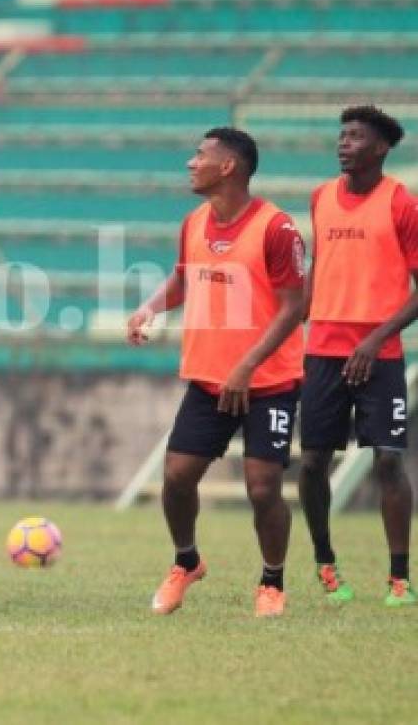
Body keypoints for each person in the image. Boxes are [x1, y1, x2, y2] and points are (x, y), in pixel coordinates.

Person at [128, 128, 306, 618]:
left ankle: (272, 583)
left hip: (268, 382)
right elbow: (184, 277)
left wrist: (247, 365)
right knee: (177, 476)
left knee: (263, 487)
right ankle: (187, 562)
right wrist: (150, 307)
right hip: (209, 379)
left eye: (200, 155)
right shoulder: (193, 223)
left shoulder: (277, 228)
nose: (191, 163)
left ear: (228, 166)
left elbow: (296, 307)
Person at [299, 105, 417, 607]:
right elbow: (320, 270)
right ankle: (326, 565)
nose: (344, 143)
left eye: (355, 136)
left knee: (388, 461)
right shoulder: (321, 197)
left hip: (379, 353)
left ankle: (399, 578)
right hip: (322, 350)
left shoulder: (401, 204)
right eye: (341, 135)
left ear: (382, 147)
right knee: (311, 463)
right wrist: (291, 326)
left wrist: (374, 339)